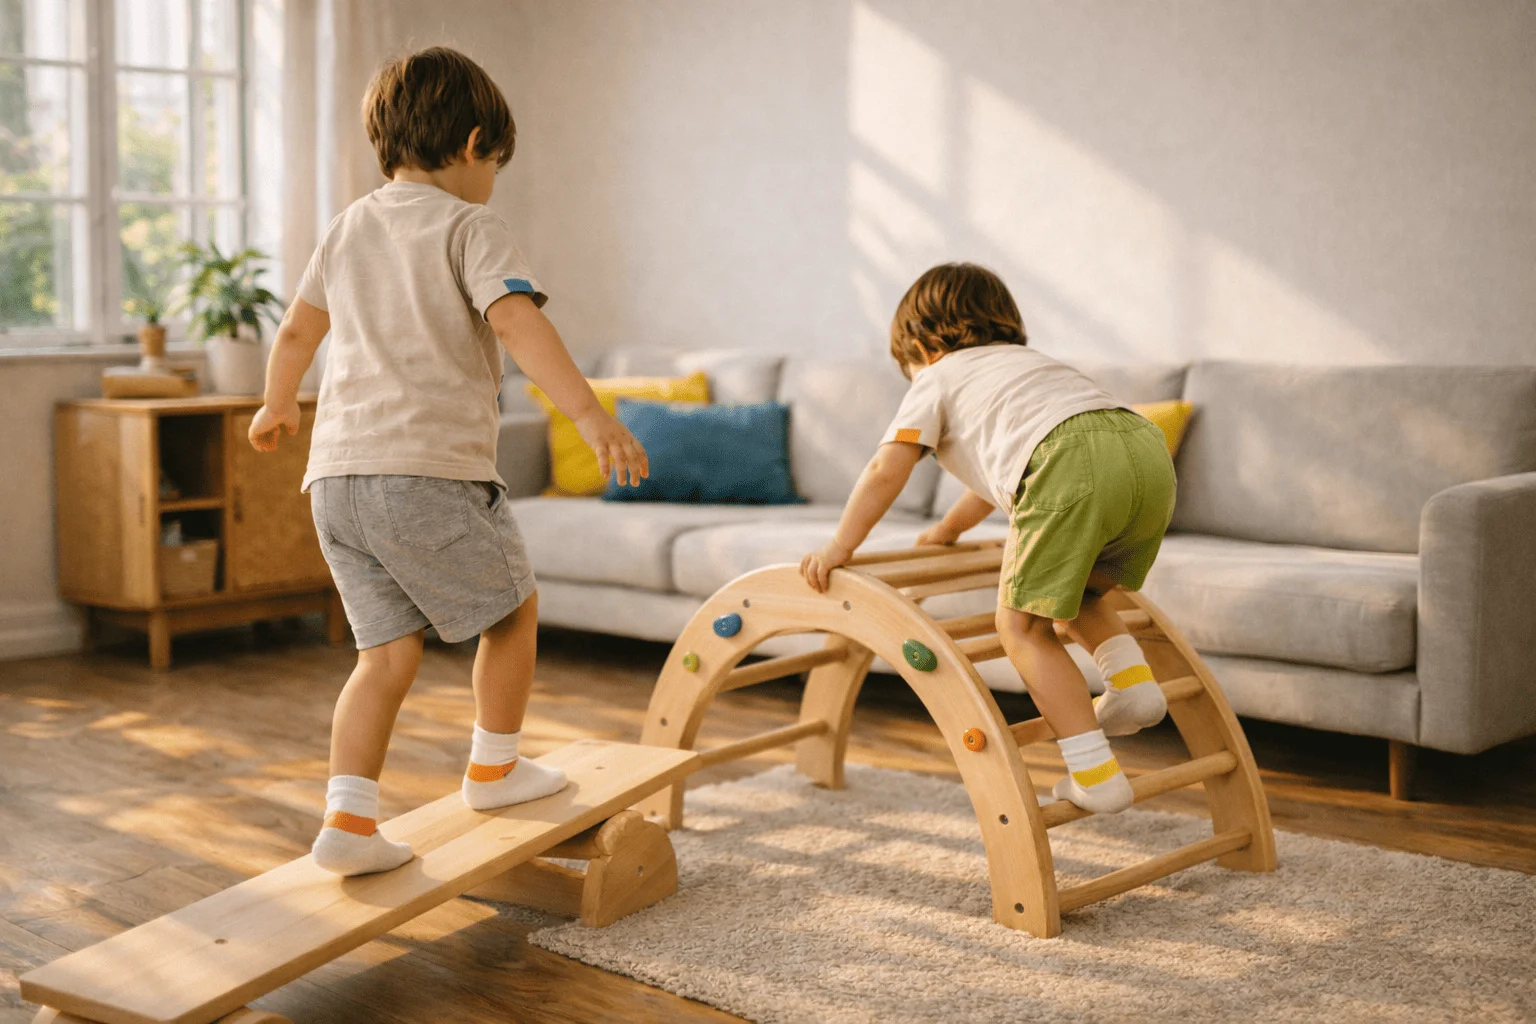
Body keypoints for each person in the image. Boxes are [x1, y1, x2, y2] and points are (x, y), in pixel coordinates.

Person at [249, 47, 648, 875]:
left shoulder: (348, 225)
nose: (494, 179)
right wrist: (587, 412)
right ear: (472, 143)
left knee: (383, 658)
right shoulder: (472, 226)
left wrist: (277, 402)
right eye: (496, 163)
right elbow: (516, 323)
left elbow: (295, 332)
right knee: (513, 614)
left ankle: (348, 825)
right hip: (426, 471)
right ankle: (494, 767)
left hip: (335, 482)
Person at [800, 263, 1175, 813]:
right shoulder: (1032, 366)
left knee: (1021, 627)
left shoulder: (938, 375)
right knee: (1082, 592)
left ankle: (1096, 775)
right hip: (1145, 451)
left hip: (1068, 461)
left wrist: (841, 546)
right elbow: (1004, 469)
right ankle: (1134, 684)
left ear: (923, 346)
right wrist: (950, 528)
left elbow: (887, 468)